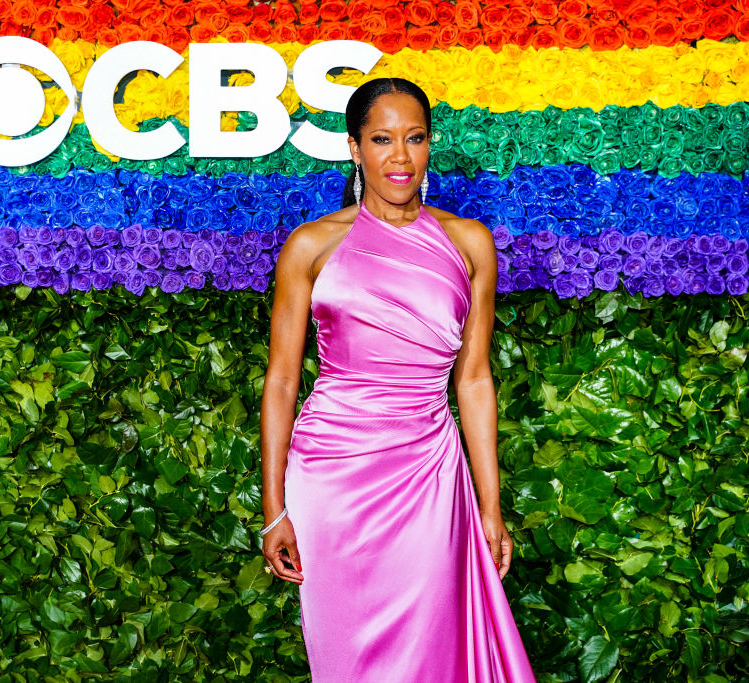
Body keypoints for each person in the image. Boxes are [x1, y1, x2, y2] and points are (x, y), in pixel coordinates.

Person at [258, 78, 537, 681]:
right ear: (355, 149)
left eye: (415, 138)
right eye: (382, 140)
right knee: (347, 656)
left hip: (429, 478)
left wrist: (490, 507)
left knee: (431, 650)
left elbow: (474, 380)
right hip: (331, 479)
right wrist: (274, 509)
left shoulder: (469, 244)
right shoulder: (311, 247)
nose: (401, 157)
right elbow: (281, 382)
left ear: (430, 144)